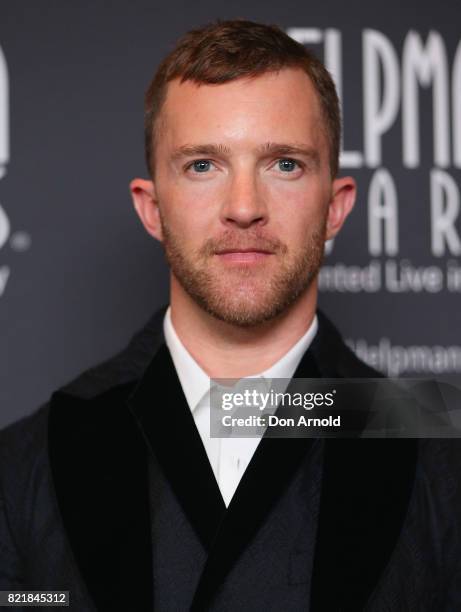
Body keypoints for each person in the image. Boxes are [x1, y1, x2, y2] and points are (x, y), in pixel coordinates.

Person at [0, 19, 460, 612]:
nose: (244, 208)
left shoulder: (437, 451)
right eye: (202, 166)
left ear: (336, 208)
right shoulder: (26, 466)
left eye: (285, 164)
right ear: (152, 208)